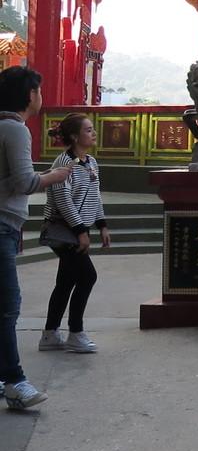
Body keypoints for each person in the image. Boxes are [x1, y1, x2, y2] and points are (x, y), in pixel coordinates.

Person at [0, 68, 72, 409]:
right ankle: (15, 381)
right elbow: (25, 183)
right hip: (2, 225)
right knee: (7, 307)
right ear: (30, 95)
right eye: (39, 91)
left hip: (5, 225)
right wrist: (54, 176)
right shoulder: (15, 129)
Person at [40, 113, 109, 354]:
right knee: (88, 276)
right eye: (88, 130)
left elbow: (95, 195)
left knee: (66, 280)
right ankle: (76, 333)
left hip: (78, 229)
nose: (93, 133)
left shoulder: (91, 162)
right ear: (74, 136)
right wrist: (80, 231)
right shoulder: (64, 163)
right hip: (63, 230)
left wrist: (102, 225)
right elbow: (63, 201)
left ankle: (50, 334)